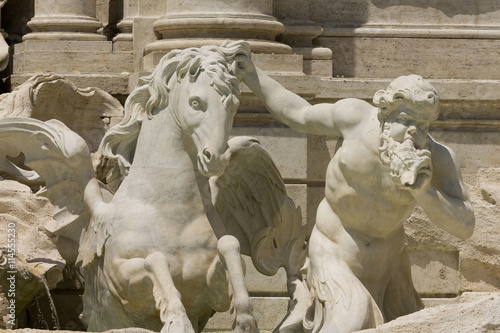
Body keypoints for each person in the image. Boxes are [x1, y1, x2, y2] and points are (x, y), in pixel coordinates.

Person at [236, 58, 475, 332]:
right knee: (353, 320)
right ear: (385, 113)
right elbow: (298, 114)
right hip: (334, 251)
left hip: (390, 264)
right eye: (406, 120)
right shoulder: (355, 119)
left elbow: (465, 226)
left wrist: (424, 192)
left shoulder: (438, 158)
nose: (414, 132)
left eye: (423, 125)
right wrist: (251, 75)